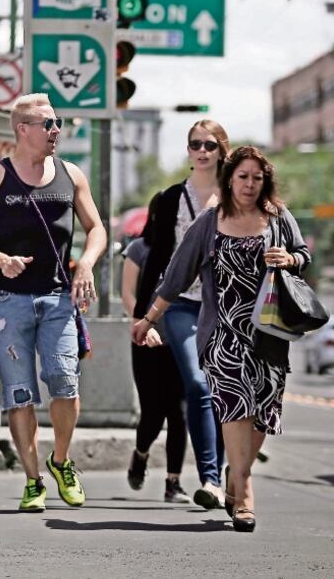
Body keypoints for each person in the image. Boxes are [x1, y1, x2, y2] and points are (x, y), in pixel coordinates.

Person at [132, 145, 311, 533]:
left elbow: (303, 254)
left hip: (269, 332)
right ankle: (243, 493)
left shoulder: (278, 217)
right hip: (223, 332)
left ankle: (235, 473)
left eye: (257, 178)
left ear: (265, 182)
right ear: (230, 179)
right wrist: (149, 318)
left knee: (264, 412)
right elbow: (177, 275)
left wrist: (290, 259)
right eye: (243, 176)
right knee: (235, 406)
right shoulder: (211, 221)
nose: (249, 184)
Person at [0, 93, 106, 512]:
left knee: (65, 383)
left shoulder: (71, 174)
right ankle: (32, 480)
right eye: (48, 124)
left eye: (57, 123)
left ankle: (60, 461)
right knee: (19, 394)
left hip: (59, 298)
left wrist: (86, 264)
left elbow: (96, 228)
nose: (56, 130)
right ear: (23, 129)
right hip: (9, 301)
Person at [132, 119, 229, 509]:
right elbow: (156, 259)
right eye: (195, 144)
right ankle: (210, 477)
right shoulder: (172, 197)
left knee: (224, 391)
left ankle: (224, 476)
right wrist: (145, 316)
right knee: (198, 384)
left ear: (222, 149)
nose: (202, 151)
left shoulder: (236, 194)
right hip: (180, 304)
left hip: (226, 306)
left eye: (209, 145)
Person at [120, 192, 190, 504]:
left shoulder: (189, 249)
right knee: (153, 413)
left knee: (179, 412)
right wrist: (144, 325)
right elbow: (128, 294)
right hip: (146, 341)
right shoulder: (139, 248)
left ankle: (173, 482)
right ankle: (141, 454)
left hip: (181, 340)